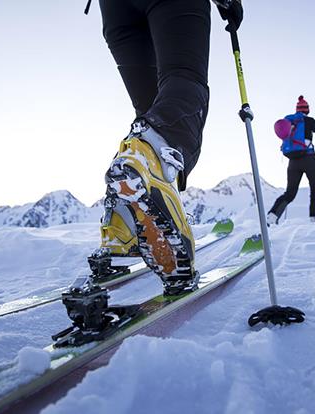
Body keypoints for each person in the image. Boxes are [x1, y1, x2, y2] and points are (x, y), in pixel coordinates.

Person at [92, 0, 243, 296]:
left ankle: (123, 227)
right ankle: (147, 168)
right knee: (184, 83)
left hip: (114, 10)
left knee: (152, 113)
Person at [267, 96, 315, 225]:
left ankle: (272, 216)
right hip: (308, 158)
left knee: (290, 193)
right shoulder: (310, 121)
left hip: (293, 161)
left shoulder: (290, 121)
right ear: (307, 110)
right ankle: (314, 218)